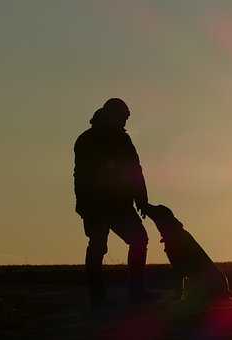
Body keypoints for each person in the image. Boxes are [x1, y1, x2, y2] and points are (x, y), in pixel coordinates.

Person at [73, 98, 149, 306]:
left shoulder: (123, 140)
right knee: (98, 246)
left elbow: (135, 170)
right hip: (97, 206)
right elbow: (81, 175)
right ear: (112, 115)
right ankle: (98, 297)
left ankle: (136, 292)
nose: (125, 122)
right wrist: (83, 204)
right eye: (123, 117)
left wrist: (141, 199)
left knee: (139, 239)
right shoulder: (86, 140)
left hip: (119, 205)